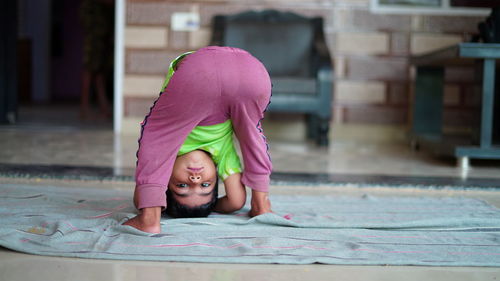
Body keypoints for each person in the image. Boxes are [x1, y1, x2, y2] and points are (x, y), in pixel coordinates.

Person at [124, 46, 273, 234]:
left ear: (165, 177)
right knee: (252, 134)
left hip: (202, 74)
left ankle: (149, 218)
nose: (195, 178)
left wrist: (148, 203)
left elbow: (151, 158)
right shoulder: (223, 155)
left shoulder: (168, 153)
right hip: (250, 72)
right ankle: (261, 203)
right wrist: (218, 206)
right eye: (205, 185)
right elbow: (236, 201)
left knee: (155, 135)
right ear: (215, 178)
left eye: (182, 186)